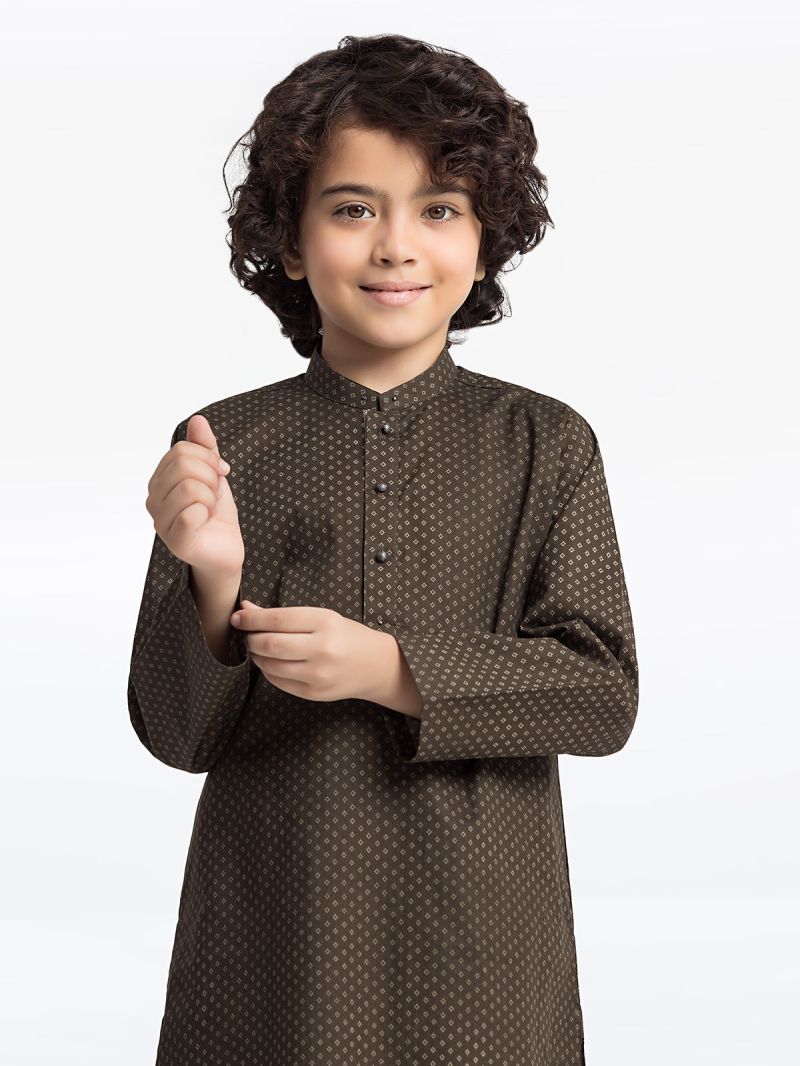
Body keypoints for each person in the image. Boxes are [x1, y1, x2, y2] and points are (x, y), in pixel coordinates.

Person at [127, 32, 639, 1066]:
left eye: (439, 209)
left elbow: (601, 694)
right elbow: (174, 734)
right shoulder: (224, 444)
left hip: (485, 929)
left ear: (487, 241)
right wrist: (213, 577)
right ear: (289, 237)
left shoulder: (545, 442)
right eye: (353, 208)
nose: (396, 245)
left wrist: (390, 667)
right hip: (272, 926)